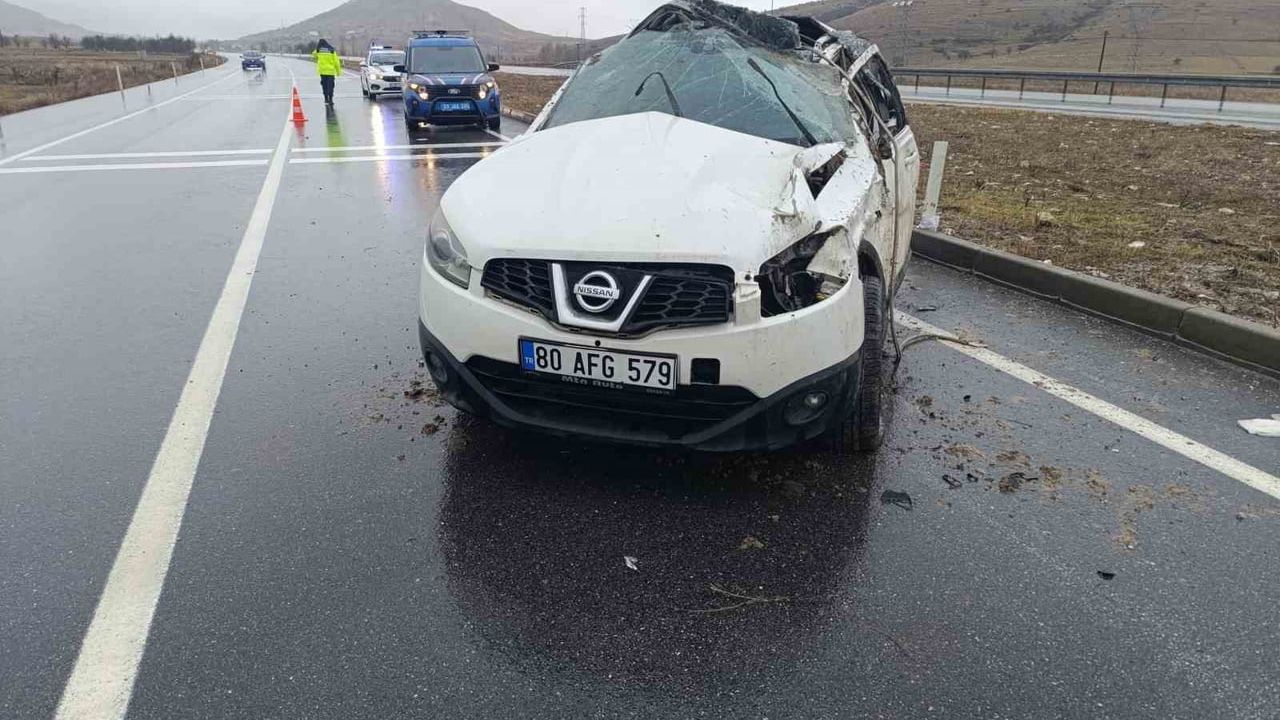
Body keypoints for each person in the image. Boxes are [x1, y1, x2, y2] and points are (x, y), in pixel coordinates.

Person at [312, 39, 341, 106]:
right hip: (330, 71)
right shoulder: (331, 50)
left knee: (324, 85)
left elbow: (313, 55)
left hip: (322, 71)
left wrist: (317, 50)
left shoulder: (319, 50)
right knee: (330, 86)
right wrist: (338, 71)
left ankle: (326, 98)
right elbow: (336, 62)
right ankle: (330, 99)